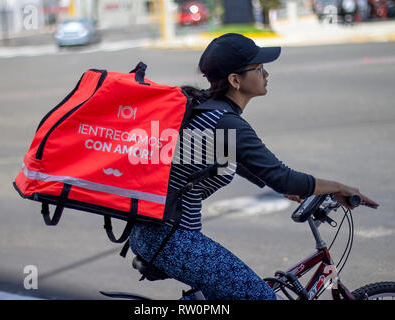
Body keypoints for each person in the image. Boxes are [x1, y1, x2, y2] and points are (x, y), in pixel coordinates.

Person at [129, 33, 379, 300]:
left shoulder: (206, 111)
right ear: (235, 80)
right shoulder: (225, 122)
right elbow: (284, 177)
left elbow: (227, 159)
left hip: (154, 233)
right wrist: (338, 187)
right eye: (258, 69)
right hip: (172, 239)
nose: (266, 73)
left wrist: (277, 185)